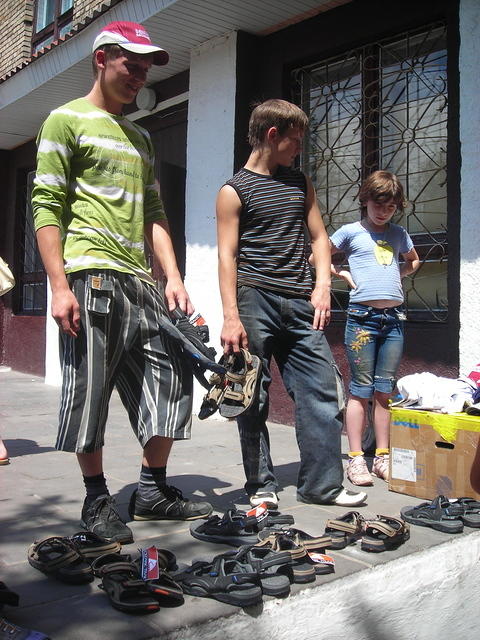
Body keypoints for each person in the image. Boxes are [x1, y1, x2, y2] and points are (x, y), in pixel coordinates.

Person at [32, 21, 212, 544]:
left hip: (143, 285)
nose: (138, 74)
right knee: (90, 392)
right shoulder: (63, 121)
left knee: (173, 382)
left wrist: (173, 277)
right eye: (129, 63)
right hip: (90, 278)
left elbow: (154, 210)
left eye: (145, 66)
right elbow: (45, 206)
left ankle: (152, 488)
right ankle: (96, 500)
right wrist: (59, 286)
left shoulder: (140, 136)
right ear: (101, 59)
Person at [216, 98, 367, 509]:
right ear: (271, 136)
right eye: (295, 140)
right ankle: (261, 485)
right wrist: (231, 316)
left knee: (321, 390)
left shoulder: (300, 182)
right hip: (254, 300)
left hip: (301, 301)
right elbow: (226, 256)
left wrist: (322, 286)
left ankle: (322, 486)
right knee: (252, 395)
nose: (300, 148)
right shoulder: (233, 191)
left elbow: (319, 238)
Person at [330, 170, 420, 486]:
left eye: (391, 207)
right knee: (360, 390)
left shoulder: (398, 234)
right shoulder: (350, 232)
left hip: (394, 321)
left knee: (384, 391)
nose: (383, 212)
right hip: (362, 320)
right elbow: (321, 256)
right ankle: (356, 460)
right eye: (378, 204)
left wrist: (396, 277)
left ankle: (381, 456)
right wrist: (341, 274)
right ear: (365, 200)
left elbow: (414, 260)